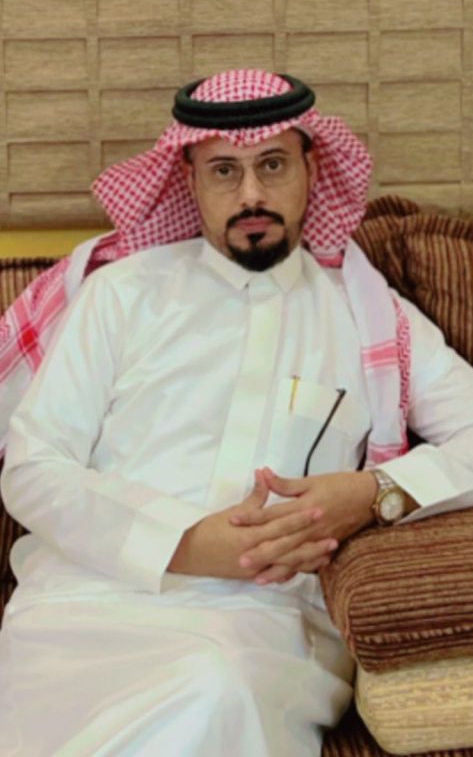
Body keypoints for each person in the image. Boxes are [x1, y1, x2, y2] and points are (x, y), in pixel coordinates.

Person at [0, 69, 473, 757]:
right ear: (189, 180)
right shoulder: (120, 296)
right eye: (224, 171)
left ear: (313, 169)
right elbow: (34, 467)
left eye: (272, 165)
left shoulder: (369, 316)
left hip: (267, 623)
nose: (251, 194)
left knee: (215, 688)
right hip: (86, 607)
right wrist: (185, 544)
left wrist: (375, 493)